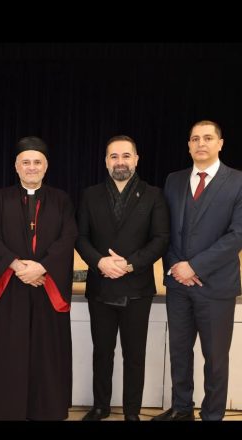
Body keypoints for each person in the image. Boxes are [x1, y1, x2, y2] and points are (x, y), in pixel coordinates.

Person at [0, 136, 77, 420]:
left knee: (47, 353)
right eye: (26, 162)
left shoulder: (61, 200)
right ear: (16, 167)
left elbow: (68, 236)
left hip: (46, 286)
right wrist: (19, 267)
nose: (32, 167)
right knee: (11, 352)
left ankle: (47, 409)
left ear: (46, 166)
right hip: (11, 287)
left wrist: (41, 267)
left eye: (37, 162)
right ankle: (9, 410)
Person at [152, 120, 242, 421]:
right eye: (195, 139)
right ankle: (181, 409)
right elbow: (165, 230)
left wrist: (195, 266)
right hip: (178, 284)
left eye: (207, 138)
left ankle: (212, 414)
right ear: (189, 145)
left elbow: (238, 235)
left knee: (215, 357)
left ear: (220, 143)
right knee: (179, 351)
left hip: (216, 286)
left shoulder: (238, 181)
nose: (201, 143)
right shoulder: (174, 180)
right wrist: (177, 268)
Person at [76, 135, 170, 421]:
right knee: (102, 353)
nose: (120, 162)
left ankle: (132, 412)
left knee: (134, 355)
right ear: (106, 161)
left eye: (126, 156)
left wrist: (129, 265)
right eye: (114, 156)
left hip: (137, 288)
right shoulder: (90, 195)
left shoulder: (153, 195)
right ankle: (101, 406)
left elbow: (160, 239)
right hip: (101, 285)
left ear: (136, 160)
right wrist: (100, 262)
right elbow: (80, 237)